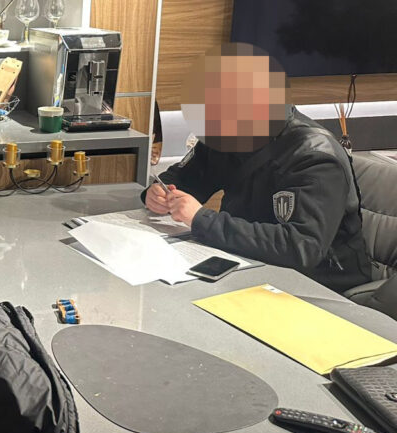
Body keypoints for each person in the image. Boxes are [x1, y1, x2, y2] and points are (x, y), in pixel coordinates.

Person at [143, 44, 371, 293]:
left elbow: (301, 247)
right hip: (246, 260)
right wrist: (157, 193)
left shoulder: (315, 157)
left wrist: (202, 220)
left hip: (317, 283)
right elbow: (187, 178)